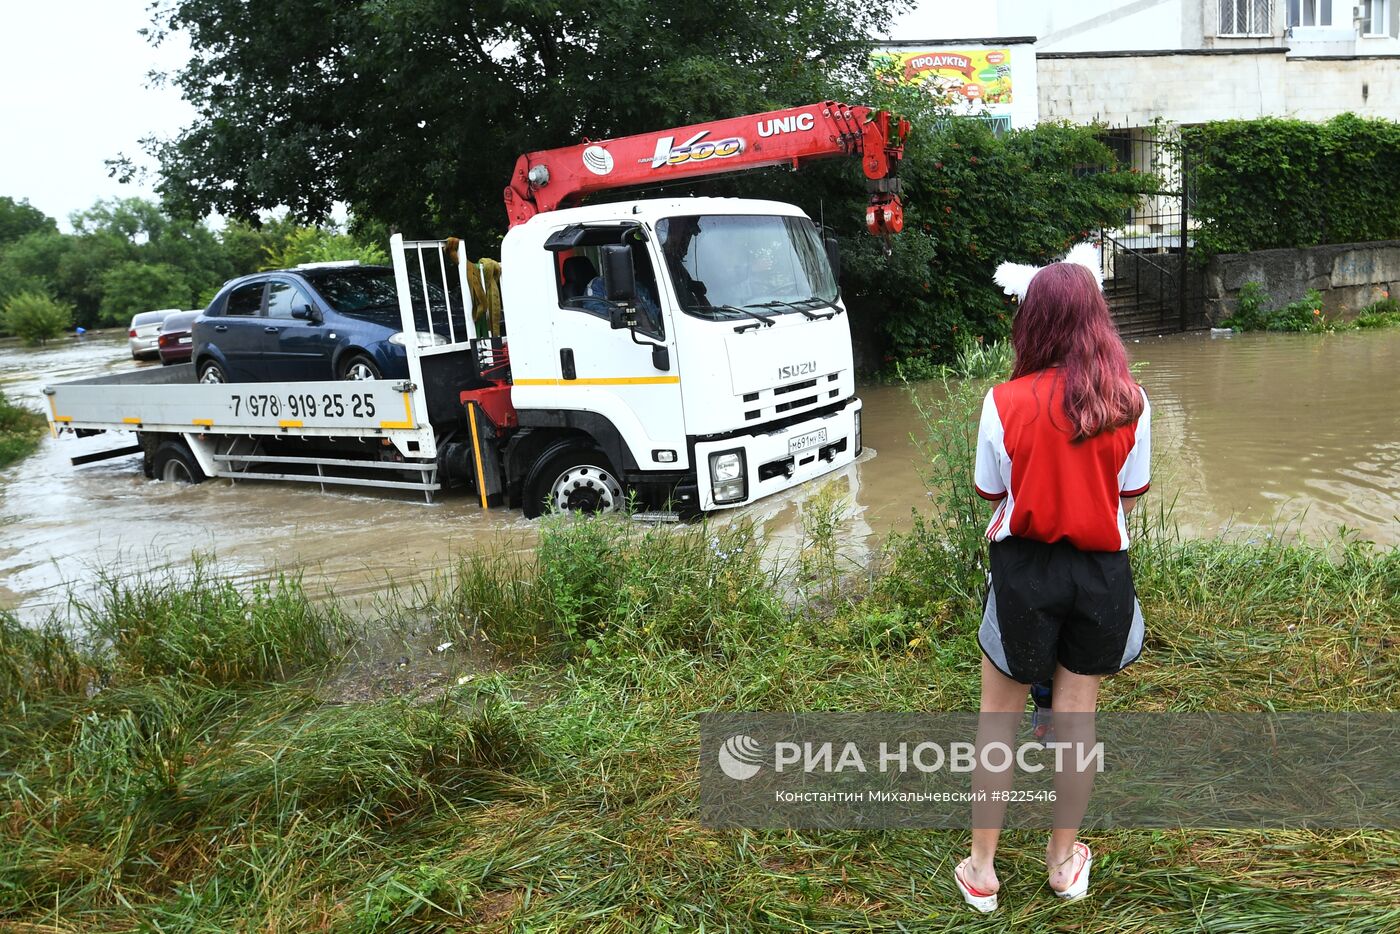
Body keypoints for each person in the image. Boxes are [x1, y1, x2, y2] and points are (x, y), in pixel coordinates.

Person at [953, 260, 1150, 912]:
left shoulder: (1002, 402)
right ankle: (1063, 864)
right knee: (1076, 723)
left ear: (1030, 321)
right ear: (1097, 318)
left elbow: (990, 490)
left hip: (1026, 572)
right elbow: (1130, 494)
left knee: (997, 722)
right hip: (1101, 575)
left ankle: (981, 871)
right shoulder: (1131, 400)